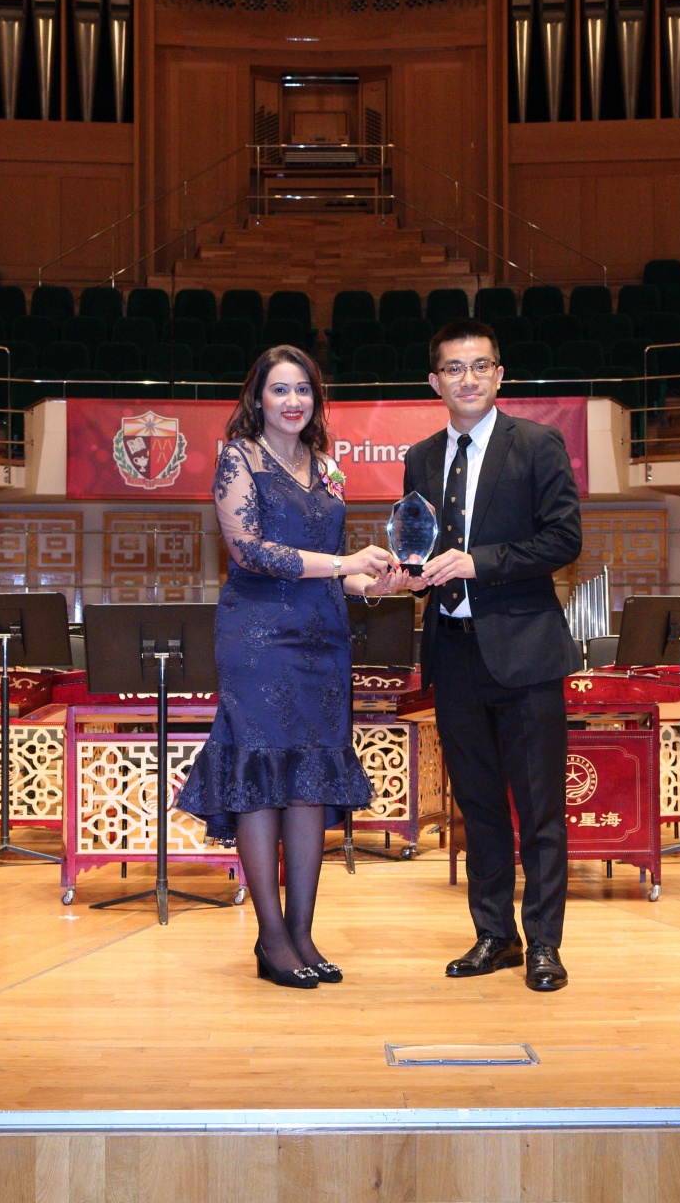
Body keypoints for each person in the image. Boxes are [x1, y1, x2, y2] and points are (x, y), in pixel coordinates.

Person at [177, 344, 400, 990]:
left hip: (324, 639)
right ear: (258, 398)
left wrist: (377, 584)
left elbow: (336, 567)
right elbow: (249, 551)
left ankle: (302, 934)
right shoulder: (239, 458)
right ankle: (271, 939)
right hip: (259, 638)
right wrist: (344, 564)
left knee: (310, 780)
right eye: (280, 389)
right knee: (261, 775)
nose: (293, 401)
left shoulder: (328, 467)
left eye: (303, 389)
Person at [398, 319, 583, 991]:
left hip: (526, 655)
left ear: (500, 375)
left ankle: (544, 945)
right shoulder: (420, 458)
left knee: (540, 810)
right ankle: (494, 935)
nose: (468, 378)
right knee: (476, 808)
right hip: (452, 653)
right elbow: (420, 544)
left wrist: (479, 562)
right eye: (454, 368)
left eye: (480, 366)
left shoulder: (536, 443)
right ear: (435, 382)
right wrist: (408, 573)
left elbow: (563, 539)